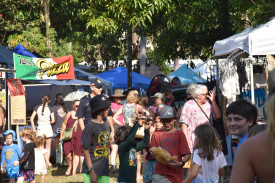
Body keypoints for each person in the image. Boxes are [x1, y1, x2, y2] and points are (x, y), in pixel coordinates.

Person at [229, 69, 275, 183]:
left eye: (237, 119)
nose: (232, 123)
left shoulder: (251, 146)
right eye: (229, 119)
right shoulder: (248, 145)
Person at [150, 105, 191, 183]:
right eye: (164, 120)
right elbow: (153, 156)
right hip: (160, 174)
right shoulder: (156, 135)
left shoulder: (179, 134)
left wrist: (181, 163)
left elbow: (187, 154)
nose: (166, 123)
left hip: (176, 175)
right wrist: (153, 153)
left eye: (169, 120)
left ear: (174, 119)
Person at [180, 84, 221, 158]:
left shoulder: (209, 104)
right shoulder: (188, 105)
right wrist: (186, 141)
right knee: (197, 160)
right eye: (204, 94)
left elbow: (218, 116)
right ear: (197, 95)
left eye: (207, 94)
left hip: (208, 137)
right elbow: (184, 124)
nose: (207, 96)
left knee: (210, 158)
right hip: (195, 139)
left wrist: (213, 101)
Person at [81, 95, 111, 183]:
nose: (108, 109)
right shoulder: (89, 127)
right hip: (92, 170)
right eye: (106, 108)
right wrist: (92, 171)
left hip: (104, 169)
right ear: (99, 110)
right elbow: (85, 150)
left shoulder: (106, 122)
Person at [115, 113, 152, 183]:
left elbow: (145, 143)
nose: (134, 136)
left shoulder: (133, 147)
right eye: (130, 134)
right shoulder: (122, 146)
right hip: (123, 181)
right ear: (125, 136)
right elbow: (129, 139)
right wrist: (137, 124)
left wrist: (146, 130)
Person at [60, 100, 83, 176]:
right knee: (67, 153)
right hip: (68, 136)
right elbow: (64, 124)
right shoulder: (69, 113)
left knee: (76, 153)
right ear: (73, 106)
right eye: (76, 106)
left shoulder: (83, 115)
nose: (78, 107)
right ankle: (70, 166)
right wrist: (61, 135)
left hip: (78, 136)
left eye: (79, 106)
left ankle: (74, 171)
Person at [30, 94, 54, 163]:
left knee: (40, 146)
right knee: (48, 147)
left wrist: (34, 128)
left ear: (42, 99)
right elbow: (53, 120)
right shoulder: (50, 108)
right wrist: (48, 123)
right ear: (49, 101)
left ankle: (42, 162)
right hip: (48, 127)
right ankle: (47, 163)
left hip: (40, 127)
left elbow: (32, 119)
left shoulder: (37, 107)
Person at [143, 113, 163, 183]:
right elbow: (146, 147)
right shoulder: (151, 132)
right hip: (150, 160)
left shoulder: (166, 133)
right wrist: (151, 134)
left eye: (160, 122)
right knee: (148, 180)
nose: (158, 124)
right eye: (156, 122)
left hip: (160, 161)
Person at [109, 89, 125, 173]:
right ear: (114, 98)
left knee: (121, 147)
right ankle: (113, 166)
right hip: (114, 127)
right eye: (117, 97)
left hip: (122, 128)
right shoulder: (111, 105)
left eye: (120, 97)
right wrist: (112, 129)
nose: (119, 99)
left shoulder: (123, 105)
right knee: (114, 147)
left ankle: (121, 165)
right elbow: (109, 118)